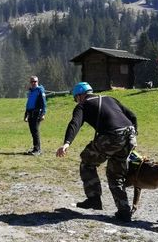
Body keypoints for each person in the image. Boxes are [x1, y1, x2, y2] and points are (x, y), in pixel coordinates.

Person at [56, 82, 138, 222]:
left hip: (112, 136)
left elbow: (75, 123)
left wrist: (66, 143)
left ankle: (94, 199)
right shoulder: (110, 98)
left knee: (87, 161)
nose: (76, 101)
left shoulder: (83, 105)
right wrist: (134, 136)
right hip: (130, 135)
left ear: (80, 95)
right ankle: (124, 212)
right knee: (115, 174)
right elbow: (132, 116)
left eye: (76, 98)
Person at [24, 75, 47, 155]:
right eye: (32, 81)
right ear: (30, 82)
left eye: (35, 81)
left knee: (35, 131)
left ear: (38, 82)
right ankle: (35, 148)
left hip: (37, 113)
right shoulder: (31, 91)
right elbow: (28, 103)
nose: (34, 83)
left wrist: (43, 114)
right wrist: (26, 115)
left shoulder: (40, 91)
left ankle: (37, 150)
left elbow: (44, 103)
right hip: (30, 114)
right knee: (33, 131)